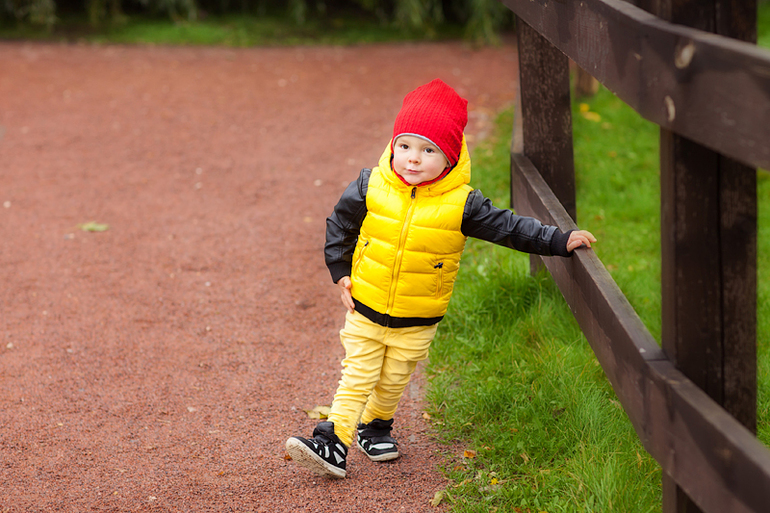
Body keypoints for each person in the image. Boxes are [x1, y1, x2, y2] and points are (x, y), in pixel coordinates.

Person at [285, 79, 596, 479]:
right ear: (393, 145)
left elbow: (511, 228)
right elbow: (340, 225)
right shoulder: (370, 185)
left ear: (449, 157)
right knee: (359, 372)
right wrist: (341, 272)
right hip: (365, 303)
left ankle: (375, 425)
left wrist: (558, 239)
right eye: (406, 146)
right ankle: (334, 440)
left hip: (418, 315)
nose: (413, 159)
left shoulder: (463, 204)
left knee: (395, 376)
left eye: (428, 150)